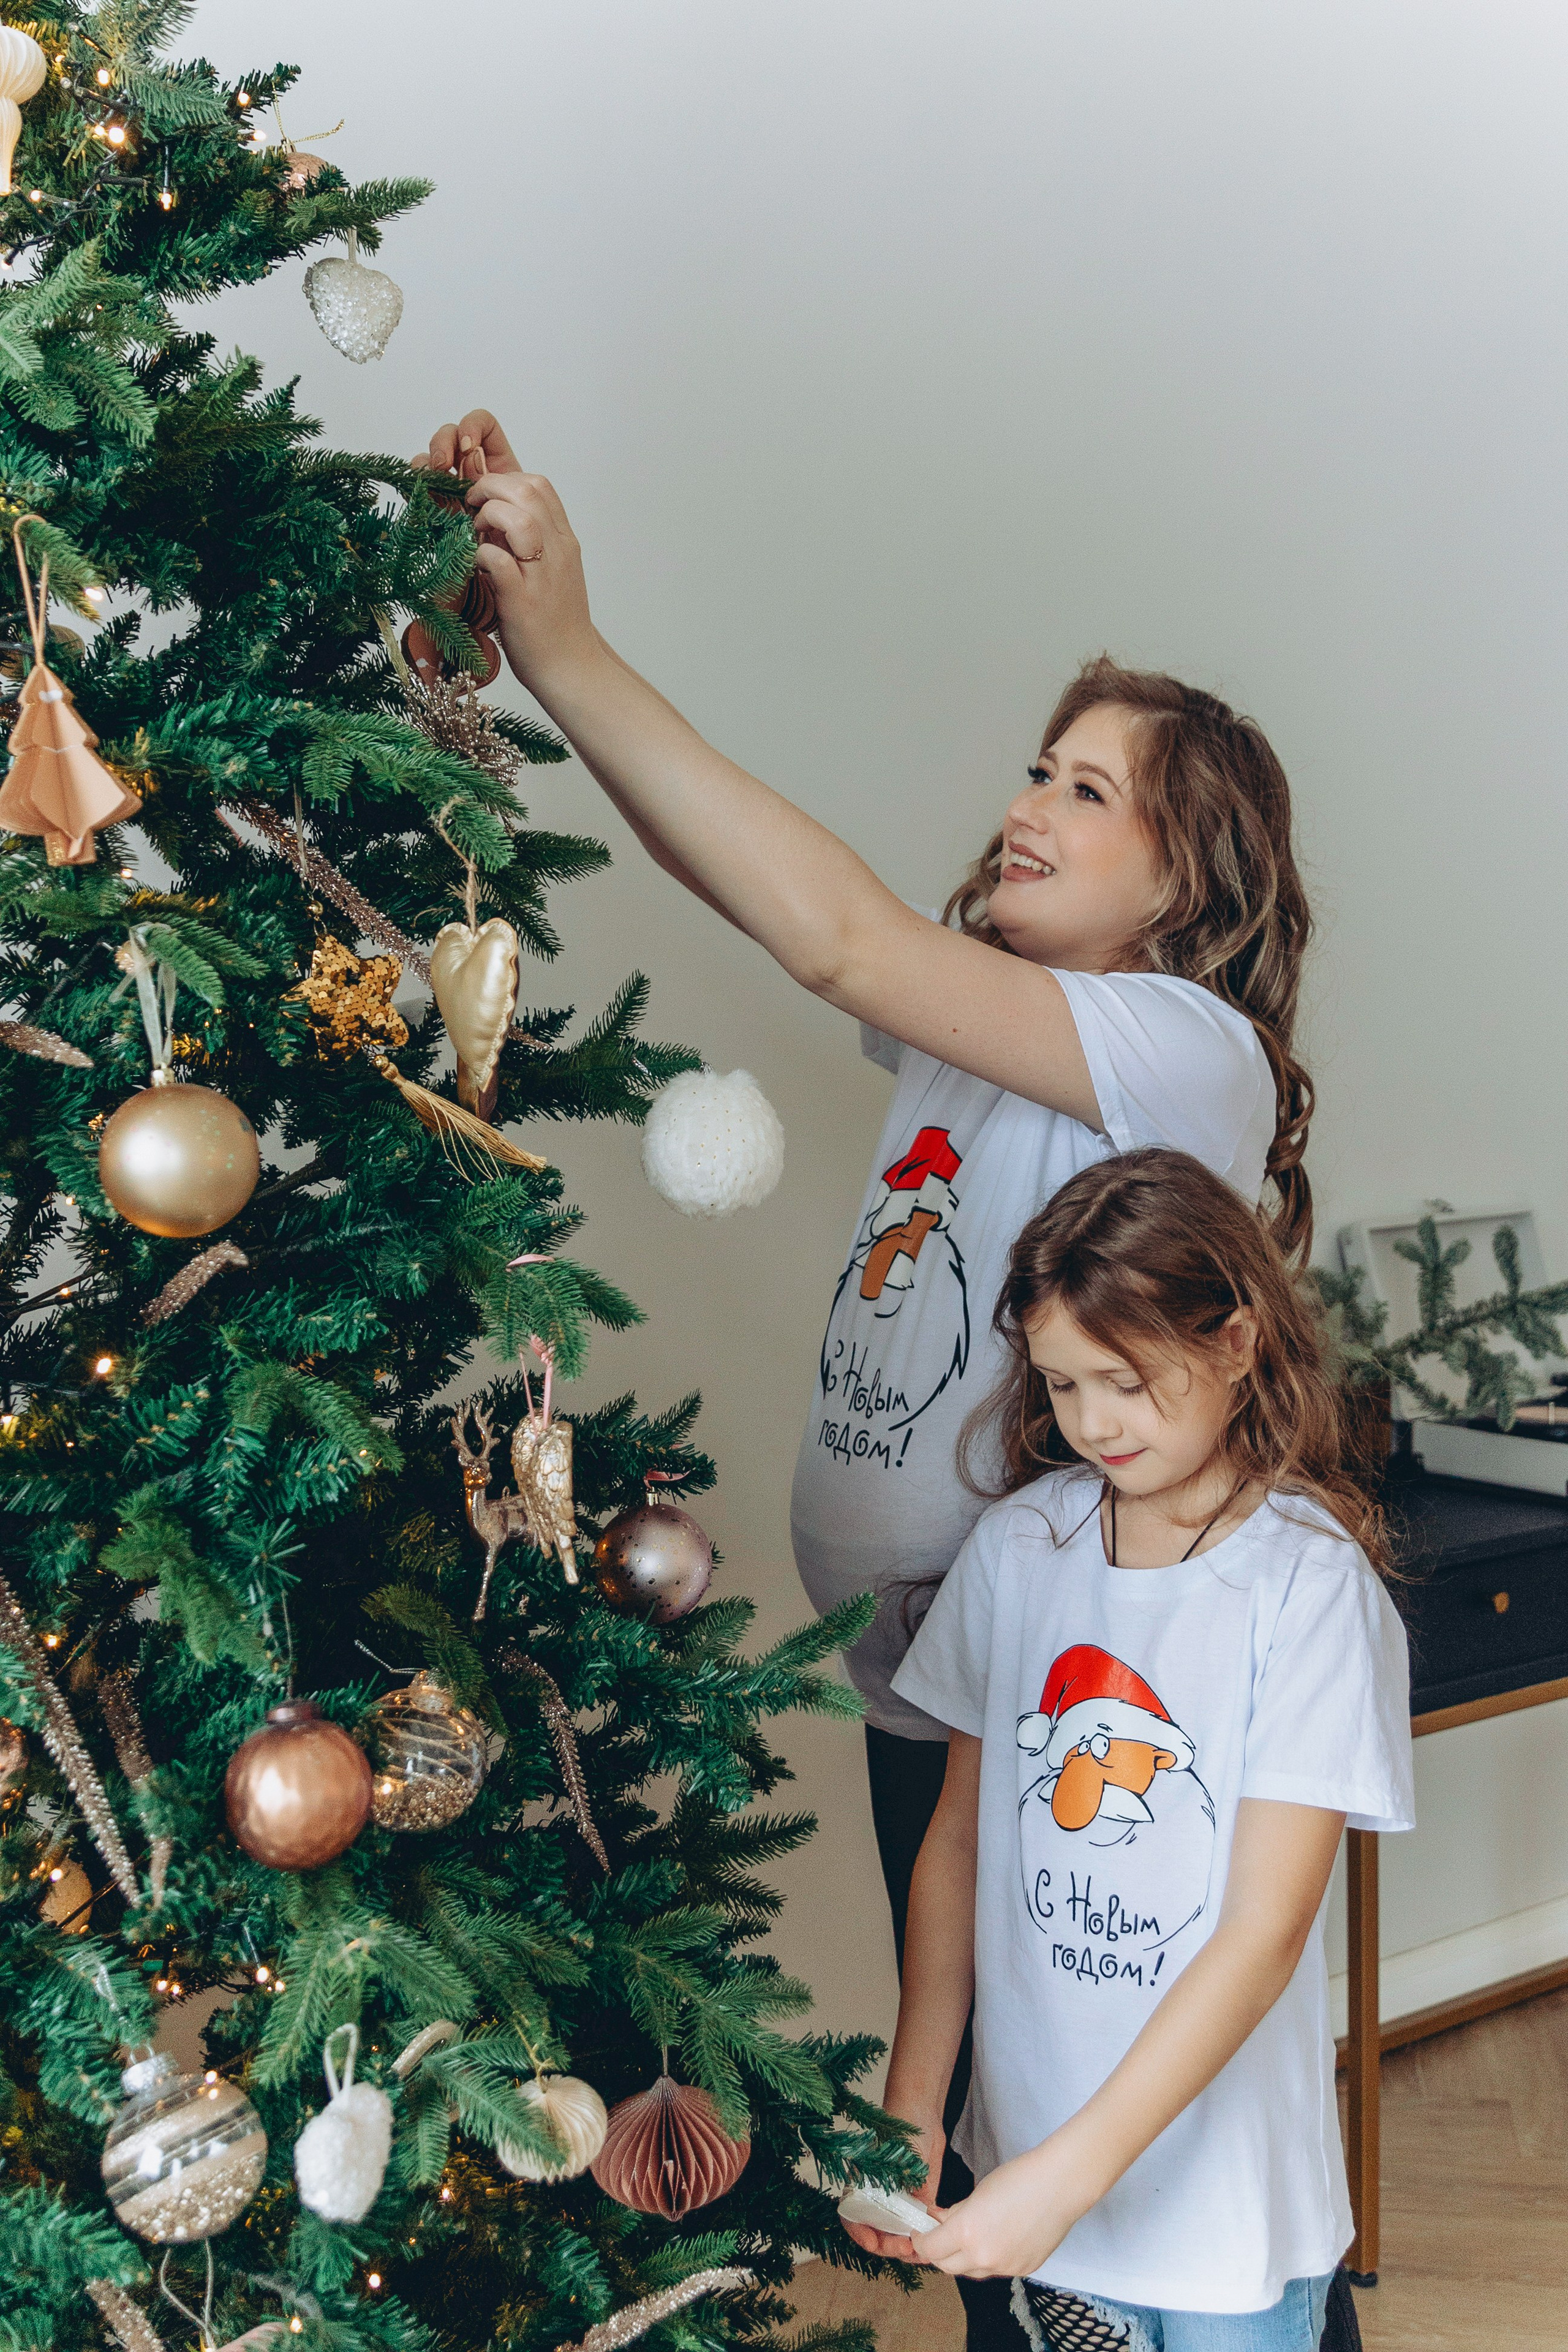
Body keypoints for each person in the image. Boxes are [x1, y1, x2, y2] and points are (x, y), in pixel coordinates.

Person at [413, 414, 1328, 2344]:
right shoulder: (978, 1042)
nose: (1030, 806)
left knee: (1077, 2088)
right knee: (982, 2105)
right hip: (941, 1671)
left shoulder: (1180, 1049)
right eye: (1032, 767)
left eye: (1089, 792)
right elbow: (771, 900)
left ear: (1190, 881)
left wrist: (580, 642)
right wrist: (546, 664)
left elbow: (829, 931)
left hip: (1066, 1689)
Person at [839, 1149, 1412, 2352]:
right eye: (1058, 1384)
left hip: (1218, 2211)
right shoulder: (1016, 1552)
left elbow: (1261, 1936)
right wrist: (911, 2102)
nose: (1090, 1424)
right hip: (1029, 2174)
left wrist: (1066, 2177)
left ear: (1237, 1342)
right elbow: (953, 1845)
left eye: (1126, 1381)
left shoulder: (1305, 1588)